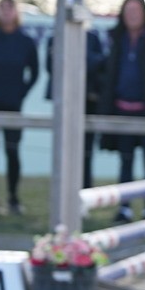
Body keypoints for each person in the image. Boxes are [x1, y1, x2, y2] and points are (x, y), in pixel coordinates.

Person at [98, 0, 145, 223]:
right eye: (128, 11)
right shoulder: (116, 38)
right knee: (125, 162)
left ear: (144, 13)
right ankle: (125, 208)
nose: (132, 15)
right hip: (122, 109)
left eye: (136, 11)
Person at [0, 0, 39, 215]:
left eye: (10, 8)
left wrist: (21, 92)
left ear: (16, 12)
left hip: (13, 106)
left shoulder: (25, 41)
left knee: (12, 152)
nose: (6, 12)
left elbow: (34, 72)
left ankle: (13, 198)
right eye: (2, 8)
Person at [45, 28, 107, 189]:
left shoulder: (92, 38)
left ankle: (84, 189)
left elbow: (98, 67)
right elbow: (52, 67)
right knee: (63, 150)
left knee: (85, 152)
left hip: (88, 103)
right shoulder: (56, 37)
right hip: (64, 101)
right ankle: (63, 190)